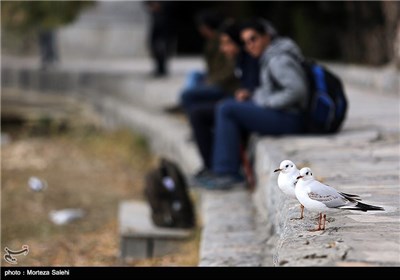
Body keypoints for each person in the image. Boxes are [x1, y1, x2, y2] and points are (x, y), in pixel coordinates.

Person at [196, 19, 308, 190]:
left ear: (266, 37)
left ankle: (227, 172)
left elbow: (297, 90)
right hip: (284, 113)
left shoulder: (278, 59)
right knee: (227, 106)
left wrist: (268, 103)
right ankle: (222, 169)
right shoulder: (268, 56)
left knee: (227, 109)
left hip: (291, 117)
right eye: (246, 42)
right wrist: (255, 96)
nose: (249, 45)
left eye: (253, 39)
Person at [189, 20, 259, 179]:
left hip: (248, 107)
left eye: (227, 43)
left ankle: (224, 171)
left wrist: (248, 94)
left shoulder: (251, 59)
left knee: (214, 109)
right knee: (197, 113)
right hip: (236, 102)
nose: (223, 48)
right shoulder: (238, 60)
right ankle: (211, 167)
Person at [179, 11, 239, 114]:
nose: (223, 48)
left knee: (188, 94)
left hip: (224, 85)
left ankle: (189, 109)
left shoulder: (223, 40)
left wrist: (211, 80)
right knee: (194, 75)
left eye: (201, 26)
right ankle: (189, 107)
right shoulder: (213, 41)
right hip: (216, 78)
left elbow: (231, 71)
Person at [144, 1, 176, 77]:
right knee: (154, 47)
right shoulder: (155, 13)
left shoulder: (166, 9)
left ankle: (162, 69)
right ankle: (159, 68)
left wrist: (160, 6)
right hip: (156, 25)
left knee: (162, 48)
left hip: (165, 26)